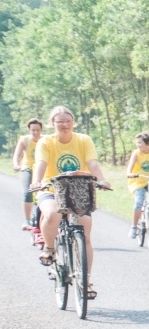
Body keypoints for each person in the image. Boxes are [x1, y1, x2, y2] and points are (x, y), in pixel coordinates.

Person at [30, 106, 111, 299]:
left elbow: (92, 163)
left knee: (86, 231)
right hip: (50, 188)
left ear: (73, 122)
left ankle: (87, 279)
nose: (65, 124)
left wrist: (101, 179)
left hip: (77, 190)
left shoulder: (84, 140)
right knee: (52, 214)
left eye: (68, 121)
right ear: (52, 124)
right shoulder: (46, 142)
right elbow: (41, 164)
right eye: (60, 121)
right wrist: (36, 181)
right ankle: (49, 248)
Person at [12, 118, 43, 229]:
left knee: (46, 193)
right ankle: (27, 220)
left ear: (41, 130)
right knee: (27, 192)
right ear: (29, 130)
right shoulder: (25, 140)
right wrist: (16, 164)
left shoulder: (45, 140)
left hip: (42, 169)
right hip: (27, 168)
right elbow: (17, 154)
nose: (36, 132)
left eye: (38, 130)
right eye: (33, 130)